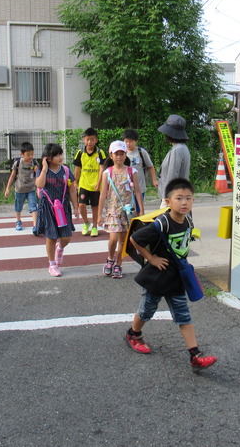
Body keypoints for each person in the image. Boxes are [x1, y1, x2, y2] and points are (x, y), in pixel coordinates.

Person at [125, 178, 217, 370]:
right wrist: (151, 259)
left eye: (189, 198)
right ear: (168, 201)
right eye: (179, 198)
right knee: (147, 310)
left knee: (183, 314)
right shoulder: (162, 223)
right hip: (157, 276)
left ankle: (195, 355)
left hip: (176, 277)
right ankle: (133, 334)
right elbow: (135, 239)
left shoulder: (188, 219)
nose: (184, 202)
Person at [98, 141, 144, 279]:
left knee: (123, 240)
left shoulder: (132, 171)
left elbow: (137, 191)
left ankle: (119, 264)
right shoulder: (107, 172)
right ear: (111, 155)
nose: (119, 157)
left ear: (125, 155)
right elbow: (103, 194)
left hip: (127, 211)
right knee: (113, 238)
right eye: (116, 154)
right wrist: (99, 214)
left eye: (121, 154)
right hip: (112, 210)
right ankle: (110, 259)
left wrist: (141, 210)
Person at [35, 143, 79, 277]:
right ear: (48, 158)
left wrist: (76, 206)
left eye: (61, 154)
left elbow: (72, 189)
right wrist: (44, 169)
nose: (60, 157)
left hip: (63, 206)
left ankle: (59, 249)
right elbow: (40, 185)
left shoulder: (65, 170)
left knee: (66, 237)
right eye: (57, 155)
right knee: (51, 236)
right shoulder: (43, 170)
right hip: (48, 207)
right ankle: (52, 264)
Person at [73, 128, 107, 237]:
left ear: (96, 140)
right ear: (84, 140)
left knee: (95, 207)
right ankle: (86, 222)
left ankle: (95, 226)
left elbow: (102, 168)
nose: (89, 142)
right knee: (81, 205)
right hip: (83, 184)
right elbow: (77, 169)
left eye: (92, 140)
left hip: (96, 185)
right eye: (87, 139)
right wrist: (75, 182)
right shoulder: (80, 153)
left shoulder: (100, 153)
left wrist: (99, 182)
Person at [4, 142, 39, 235]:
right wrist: (8, 188)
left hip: (31, 189)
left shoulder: (34, 163)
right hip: (19, 189)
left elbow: (39, 176)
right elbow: (12, 176)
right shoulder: (18, 163)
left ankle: (35, 226)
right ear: (22, 154)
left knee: (34, 207)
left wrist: (37, 171)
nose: (30, 156)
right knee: (18, 207)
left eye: (32, 154)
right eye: (28, 155)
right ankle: (18, 221)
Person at [157, 115, 191, 208]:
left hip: (172, 196)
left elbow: (172, 175)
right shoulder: (183, 148)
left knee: (165, 222)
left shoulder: (177, 150)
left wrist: (169, 199)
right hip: (178, 195)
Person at [122, 129, 158, 212]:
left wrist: (154, 180)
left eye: (131, 141)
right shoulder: (121, 153)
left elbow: (150, 166)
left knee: (139, 210)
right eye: (126, 141)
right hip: (125, 189)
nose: (128, 144)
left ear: (136, 141)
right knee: (127, 211)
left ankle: (139, 224)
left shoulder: (141, 152)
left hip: (140, 187)